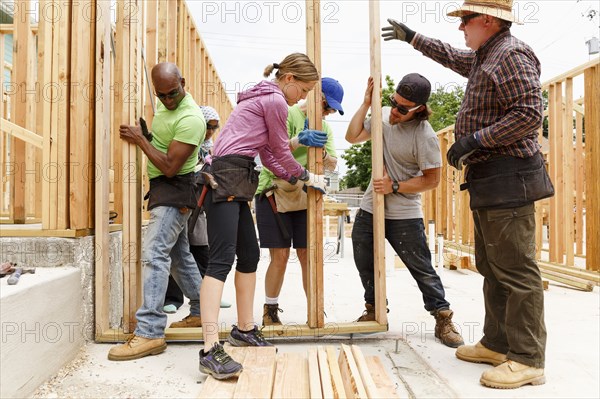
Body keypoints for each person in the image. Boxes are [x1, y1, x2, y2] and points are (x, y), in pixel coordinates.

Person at [382, 0, 553, 389]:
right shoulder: (487, 56)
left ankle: (527, 359)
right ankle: (497, 343)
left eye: (465, 20)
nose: (461, 27)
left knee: (516, 270)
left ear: (488, 21)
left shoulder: (511, 54)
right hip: (491, 178)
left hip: (511, 177)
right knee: (492, 266)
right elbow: (454, 58)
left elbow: (529, 114)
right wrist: (414, 38)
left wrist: (477, 139)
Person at [198, 53, 327, 380]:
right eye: (305, 89)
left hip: (237, 176)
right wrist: (306, 176)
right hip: (225, 175)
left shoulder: (264, 97)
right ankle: (209, 348)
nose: (305, 97)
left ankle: (244, 329)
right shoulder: (276, 101)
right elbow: (282, 152)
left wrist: (298, 176)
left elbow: (269, 155)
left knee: (250, 256)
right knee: (220, 261)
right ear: (289, 80)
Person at [346, 74, 464, 349]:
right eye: (393, 103)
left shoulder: (425, 136)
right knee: (364, 258)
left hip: (404, 213)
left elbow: (432, 180)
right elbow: (352, 137)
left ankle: (442, 317)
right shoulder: (384, 116)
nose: (395, 112)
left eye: (403, 108)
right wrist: (365, 104)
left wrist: (395, 186)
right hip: (370, 206)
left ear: (419, 109)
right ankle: (374, 308)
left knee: (421, 267)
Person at [108, 62, 205, 361]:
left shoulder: (191, 118)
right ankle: (204, 311)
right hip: (165, 188)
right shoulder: (165, 105)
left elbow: (170, 166)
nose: (168, 100)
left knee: (153, 254)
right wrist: (149, 138)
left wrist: (139, 141)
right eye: (161, 95)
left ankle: (150, 332)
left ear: (183, 83)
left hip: (176, 188)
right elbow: (163, 147)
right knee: (178, 255)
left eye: (173, 93)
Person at [256, 77, 344, 326]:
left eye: (331, 111)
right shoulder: (285, 113)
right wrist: (297, 142)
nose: (327, 114)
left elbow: (332, 163)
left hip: (303, 194)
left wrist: (322, 151)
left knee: (307, 255)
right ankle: (270, 310)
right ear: (316, 97)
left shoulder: (324, 128)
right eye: (327, 107)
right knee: (280, 255)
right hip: (274, 191)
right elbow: (272, 153)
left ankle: (315, 308)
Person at [163, 106, 231, 319]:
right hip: (181, 201)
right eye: (207, 127)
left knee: (201, 251)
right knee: (178, 251)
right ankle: (172, 299)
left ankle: (208, 294)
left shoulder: (210, 150)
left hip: (199, 207)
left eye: (214, 127)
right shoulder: (186, 144)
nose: (210, 131)